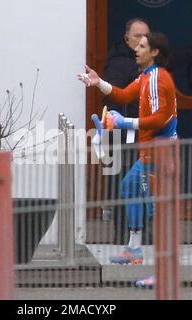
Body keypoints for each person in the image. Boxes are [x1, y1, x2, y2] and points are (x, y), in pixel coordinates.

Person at [78, 32, 178, 268]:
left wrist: (125, 122)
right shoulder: (146, 76)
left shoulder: (157, 79)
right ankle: (134, 249)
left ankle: (162, 268)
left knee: (155, 206)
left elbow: (161, 119)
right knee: (132, 188)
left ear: (154, 53)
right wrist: (98, 82)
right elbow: (122, 94)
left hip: (159, 151)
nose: (137, 49)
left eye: (142, 46)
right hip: (151, 150)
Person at [101, 19, 150, 246]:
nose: (142, 40)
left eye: (146, 36)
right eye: (137, 35)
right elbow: (112, 96)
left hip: (144, 135)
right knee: (124, 188)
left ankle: (143, 236)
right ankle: (123, 236)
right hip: (123, 138)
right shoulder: (119, 64)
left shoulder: (149, 63)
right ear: (127, 38)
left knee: (144, 186)